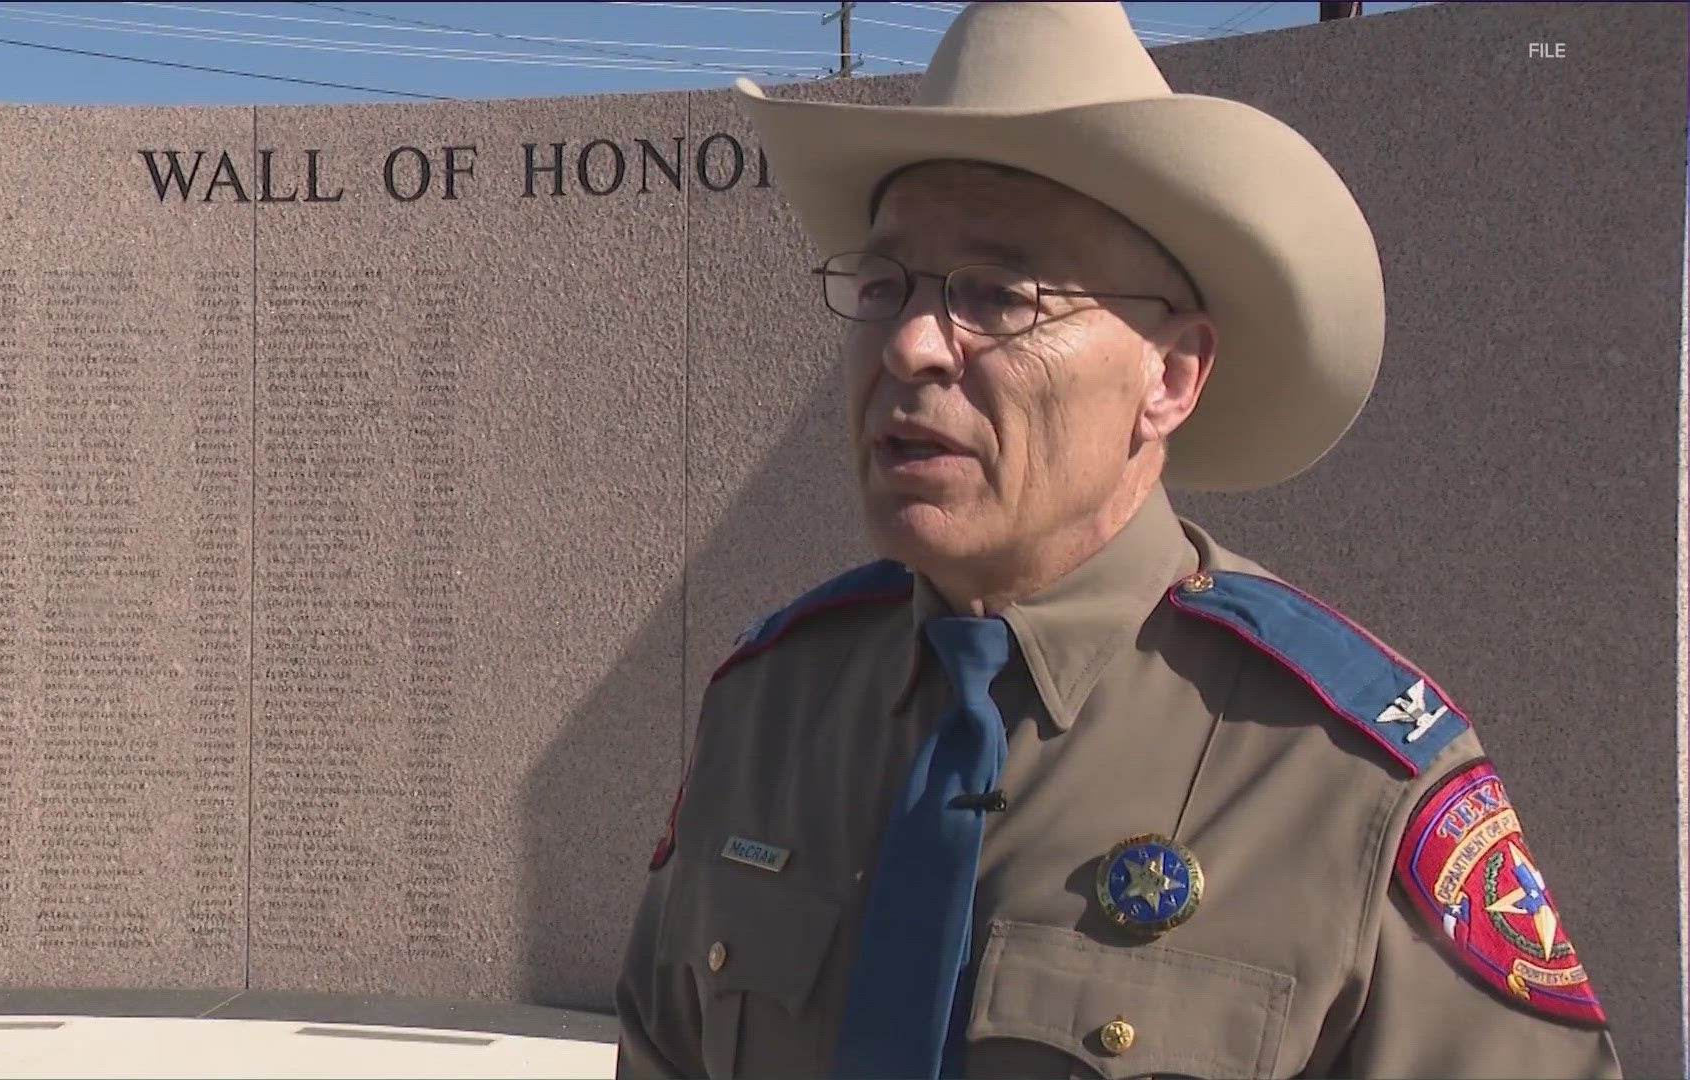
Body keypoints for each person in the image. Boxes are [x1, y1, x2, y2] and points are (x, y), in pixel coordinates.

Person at [612, 3, 1621, 1078]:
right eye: (884, 285)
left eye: (996, 293)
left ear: (1170, 375)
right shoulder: (768, 710)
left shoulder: (1342, 779)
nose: (910, 344)